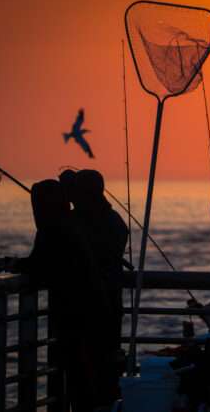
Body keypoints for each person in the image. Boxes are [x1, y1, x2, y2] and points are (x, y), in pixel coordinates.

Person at [0, 180, 109, 412]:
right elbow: (48, 264)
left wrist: (8, 263)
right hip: (92, 309)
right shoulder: (71, 223)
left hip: (75, 315)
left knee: (80, 377)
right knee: (86, 377)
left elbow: (39, 266)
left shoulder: (51, 228)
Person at [67, 169, 129, 407]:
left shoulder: (77, 223)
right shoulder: (115, 222)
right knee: (107, 374)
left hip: (86, 313)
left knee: (87, 380)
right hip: (110, 308)